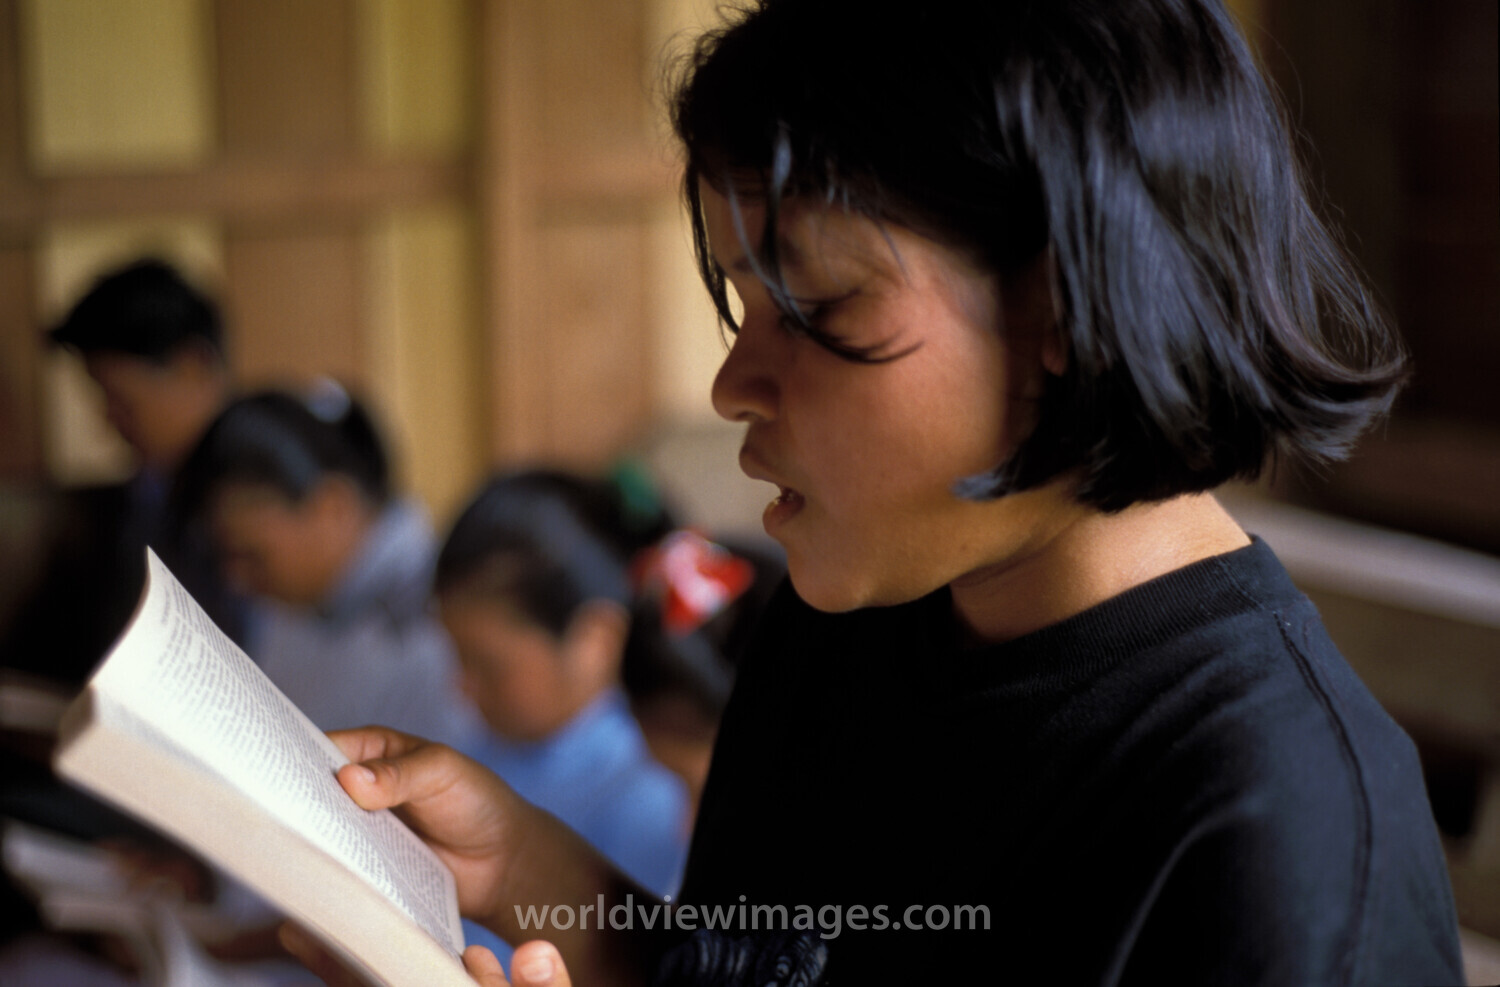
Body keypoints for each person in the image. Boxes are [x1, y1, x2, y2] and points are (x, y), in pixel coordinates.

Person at [283, 1, 1463, 984]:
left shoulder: (1284, 835)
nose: (736, 380)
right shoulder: (841, 629)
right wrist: (527, 878)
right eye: (743, 302)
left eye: (817, 306)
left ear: (1057, 313)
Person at [434, 469, 718, 961]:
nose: (462, 685)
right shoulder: (487, 746)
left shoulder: (657, 795)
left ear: (596, 640)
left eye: (488, 665)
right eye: (458, 658)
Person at [173, 383, 478, 747]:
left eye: (251, 555)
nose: (235, 579)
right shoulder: (300, 599)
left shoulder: (445, 620)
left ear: (332, 507)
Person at [5, 258, 243, 684]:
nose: (110, 420)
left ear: (193, 365)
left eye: (123, 400)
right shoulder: (142, 499)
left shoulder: (261, 488)